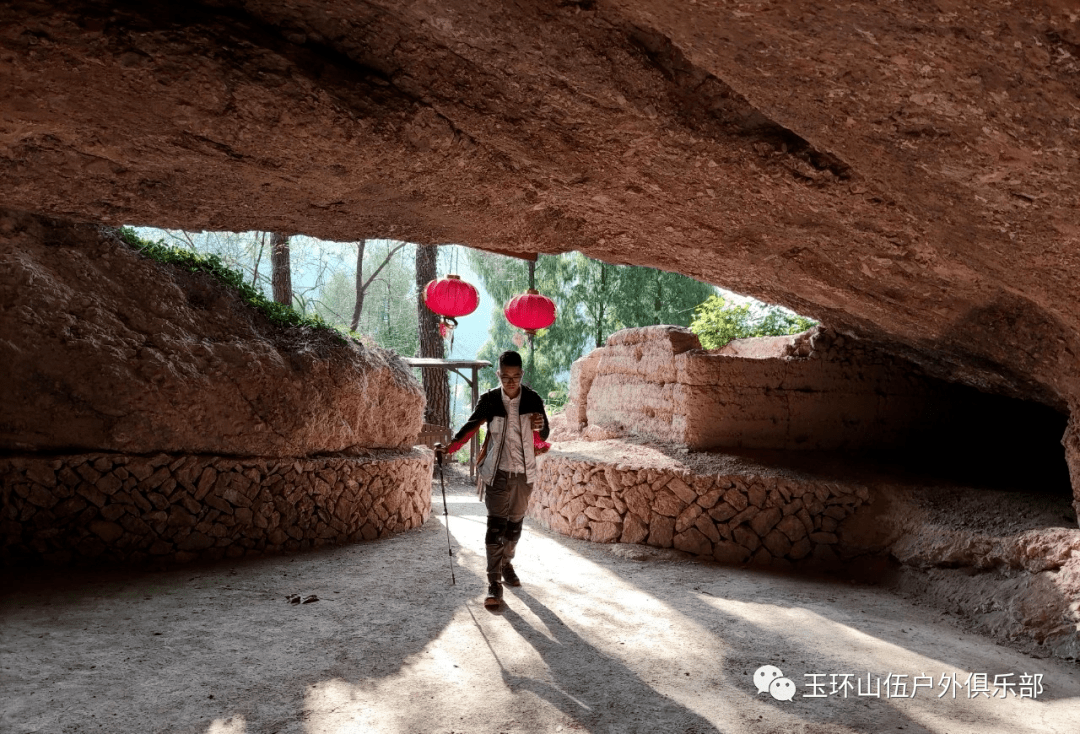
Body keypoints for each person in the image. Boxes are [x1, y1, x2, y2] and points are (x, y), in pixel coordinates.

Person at [435, 350, 550, 608]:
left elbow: (545, 432)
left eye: (515, 376)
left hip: (524, 474)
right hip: (496, 473)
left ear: (522, 375)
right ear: (498, 374)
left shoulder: (532, 399)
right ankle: (494, 583)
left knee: (514, 528)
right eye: (505, 376)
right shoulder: (489, 400)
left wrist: (540, 425)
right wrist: (449, 448)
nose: (510, 382)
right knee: (496, 526)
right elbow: (470, 426)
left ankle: (506, 563)